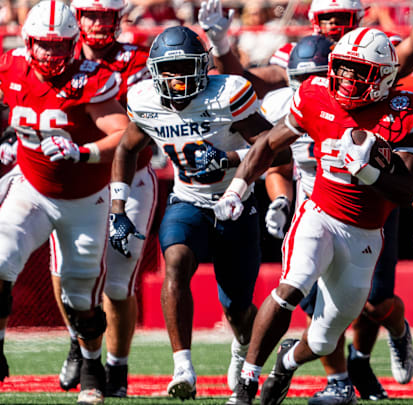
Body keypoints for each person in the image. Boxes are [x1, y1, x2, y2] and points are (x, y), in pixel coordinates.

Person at [213, 27, 413, 405]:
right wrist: (238, 187)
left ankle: (287, 361)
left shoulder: (405, 109)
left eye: (357, 71)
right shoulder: (315, 93)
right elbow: (268, 144)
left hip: (365, 232)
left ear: (383, 78)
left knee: (325, 336)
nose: (345, 78)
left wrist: (370, 173)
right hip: (320, 212)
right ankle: (246, 385)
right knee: (291, 287)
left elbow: (408, 190)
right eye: (342, 67)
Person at [108, 25, 274, 400]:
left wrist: (227, 158)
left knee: (237, 308)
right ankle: (182, 365)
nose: (177, 77)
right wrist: (118, 209)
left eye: (185, 66)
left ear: (202, 66)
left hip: (236, 202)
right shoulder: (145, 100)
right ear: (154, 72)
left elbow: (272, 145)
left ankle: (241, 344)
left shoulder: (227, 94)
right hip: (188, 201)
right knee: (176, 262)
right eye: (169, 69)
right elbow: (125, 149)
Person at [0, 1, 130, 404]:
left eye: (60, 46)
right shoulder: (10, 67)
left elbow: (123, 135)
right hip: (32, 186)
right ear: (28, 42)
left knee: (80, 298)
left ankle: (92, 368)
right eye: (44, 45)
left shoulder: (91, 80)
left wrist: (83, 151)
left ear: (74, 45)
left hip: (84, 199)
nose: (51, 54)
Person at [54, 0, 157, 397]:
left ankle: (117, 368)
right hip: (72, 177)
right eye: (90, 15)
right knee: (66, 272)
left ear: (118, 18)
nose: (98, 24)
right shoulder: (56, 52)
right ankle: (80, 343)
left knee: (117, 280)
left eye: (104, 15)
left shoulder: (137, 60)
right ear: (77, 19)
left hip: (127, 177)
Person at [199, 0, 413, 91]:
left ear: (357, 18)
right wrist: (220, 44)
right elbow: (247, 83)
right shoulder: (299, 54)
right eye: (326, 18)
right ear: (315, 21)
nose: (333, 23)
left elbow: (404, 61)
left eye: (341, 17)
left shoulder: (375, 45)